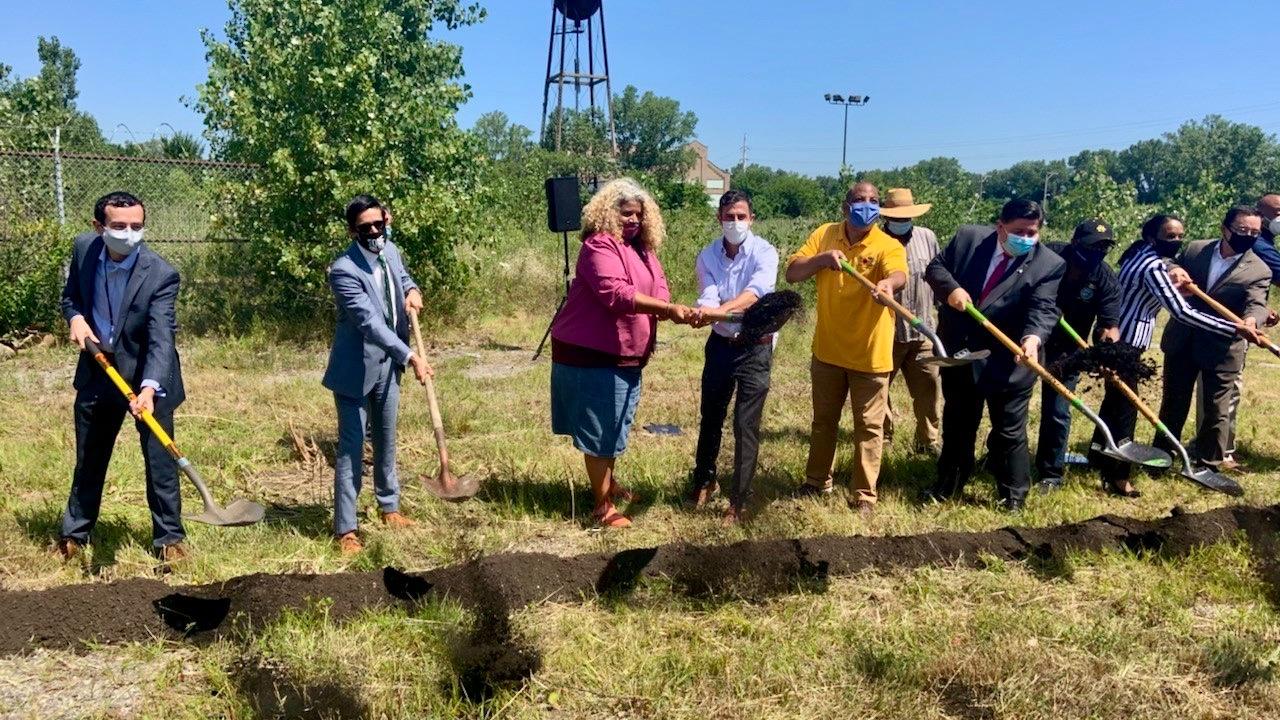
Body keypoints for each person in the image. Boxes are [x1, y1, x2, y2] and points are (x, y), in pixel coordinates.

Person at [549, 178, 694, 529]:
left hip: (627, 355)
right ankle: (602, 506)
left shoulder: (644, 250)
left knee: (616, 423)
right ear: (608, 213)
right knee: (601, 430)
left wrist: (672, 308)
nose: (633, 220)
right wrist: (668, 308)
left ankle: (609, 482)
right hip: (592, 354)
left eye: (638, 215)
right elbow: (616, 294)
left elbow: (659, 287)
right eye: (626, 213)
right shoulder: (599, 246)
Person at [58, 191, 189, 564]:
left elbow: (162, 338)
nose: (129, 234)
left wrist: (148, 389)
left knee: (159, 459)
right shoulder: (84, 250)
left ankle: (169, 539)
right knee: (90, 456)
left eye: (136, 226)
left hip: (150, 372)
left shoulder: (161, 274)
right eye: (119, 226)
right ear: (99, 227)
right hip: (100, 368)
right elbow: (71, 298)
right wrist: (76, 318)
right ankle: (74, 534)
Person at [922, 199, 1065, 511]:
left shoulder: (1048, 264)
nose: (1026, 238)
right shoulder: (968, 239)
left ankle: (1013, 494)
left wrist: (1032, 340)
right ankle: (950, 483)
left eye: (1032, 232)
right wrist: (952, 289)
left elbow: (1043, 309)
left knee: (1009, 430)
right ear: (1000, 227)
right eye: (1018, 231)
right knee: (958, 422)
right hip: (961, 353)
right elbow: (935, 268)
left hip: (1010, 360)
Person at [785, 182, 907, 518]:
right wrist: (822, 260)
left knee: (869, 427)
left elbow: (899, 274)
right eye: (859, 200)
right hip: (827, 351)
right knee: (824, 421)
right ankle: (816, 481)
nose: (865, 206)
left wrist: (887, 284)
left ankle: (864, 494)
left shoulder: (887, 244)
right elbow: (792, 273)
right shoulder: (825, 235)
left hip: (870, 354)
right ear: (845, 207)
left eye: (872, 201)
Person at [322, 194, 432, 555]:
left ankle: (389, 507)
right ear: (352, 230)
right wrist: (411, 355)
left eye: (378, 224)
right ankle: (347, 529)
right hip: (356, 369)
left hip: (388, 367)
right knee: (352, 448)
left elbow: (401, 276)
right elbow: (370, 323)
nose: (373, 231)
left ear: (385, 221)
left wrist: (412, 289)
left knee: (386, 438)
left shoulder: (391, 250)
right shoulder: (343, 270)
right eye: (365, 227)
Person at [687, 189, 779, 523]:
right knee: (710, 415)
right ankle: (705, 479)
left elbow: (756, 293)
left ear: (751, 219)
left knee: (745, 423)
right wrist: (704, 313)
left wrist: (719, 310)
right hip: (721, 345)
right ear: (719, 219)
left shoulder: (765, 252)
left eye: (741, 216)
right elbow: (708, 295)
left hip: (755, 346)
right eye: (729, 217)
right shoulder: (707, 256)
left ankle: (739, 499)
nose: (735, 222)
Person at [1155, 206, 1270, 475]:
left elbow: (1257, 304)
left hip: (1223, 345)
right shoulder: (1197, 249)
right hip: (1183, 338)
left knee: (1216, 409)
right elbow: (1168, 261)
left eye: (1255, 232)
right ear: (1225, 229)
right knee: (1173, 402)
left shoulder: (1258, 270)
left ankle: (1209, 464)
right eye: (1243, 230)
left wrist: (1251, 321)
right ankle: (1162, 456)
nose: (1249, 236)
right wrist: (1174, 270)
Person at [1034, 218, 1121, 492]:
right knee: (1010, 404)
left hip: (1067, 349)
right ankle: (999, 455)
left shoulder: (1105, 278)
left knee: (1058, 411)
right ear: (1075, 244)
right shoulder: (1048, 256)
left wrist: (1107, 349)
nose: (1098, 253)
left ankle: (1051, 473)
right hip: (1028, 338)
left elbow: (1109, 325)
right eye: (1092, 247)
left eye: (1104, 248)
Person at [1203, 192, 1280, 473]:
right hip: (1223, 329)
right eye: (1277, 211)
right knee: (1224, 390)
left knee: (1227, 389)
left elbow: (1257, 290)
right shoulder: (1258, 243)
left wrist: (1259, 314)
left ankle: (1217, 447)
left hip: (1244, 323)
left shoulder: (1264, 243)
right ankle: (1217, 449)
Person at [878, 187, 942, 456]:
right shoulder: (876, 240)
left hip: (923, 331)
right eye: (897, 217)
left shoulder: (927, 238)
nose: (902, 221)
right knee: (878, 391)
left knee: (929, 389)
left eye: (906, 217)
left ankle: (927, 441)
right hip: (885, 332)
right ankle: (882, 438)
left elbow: (939, 276)